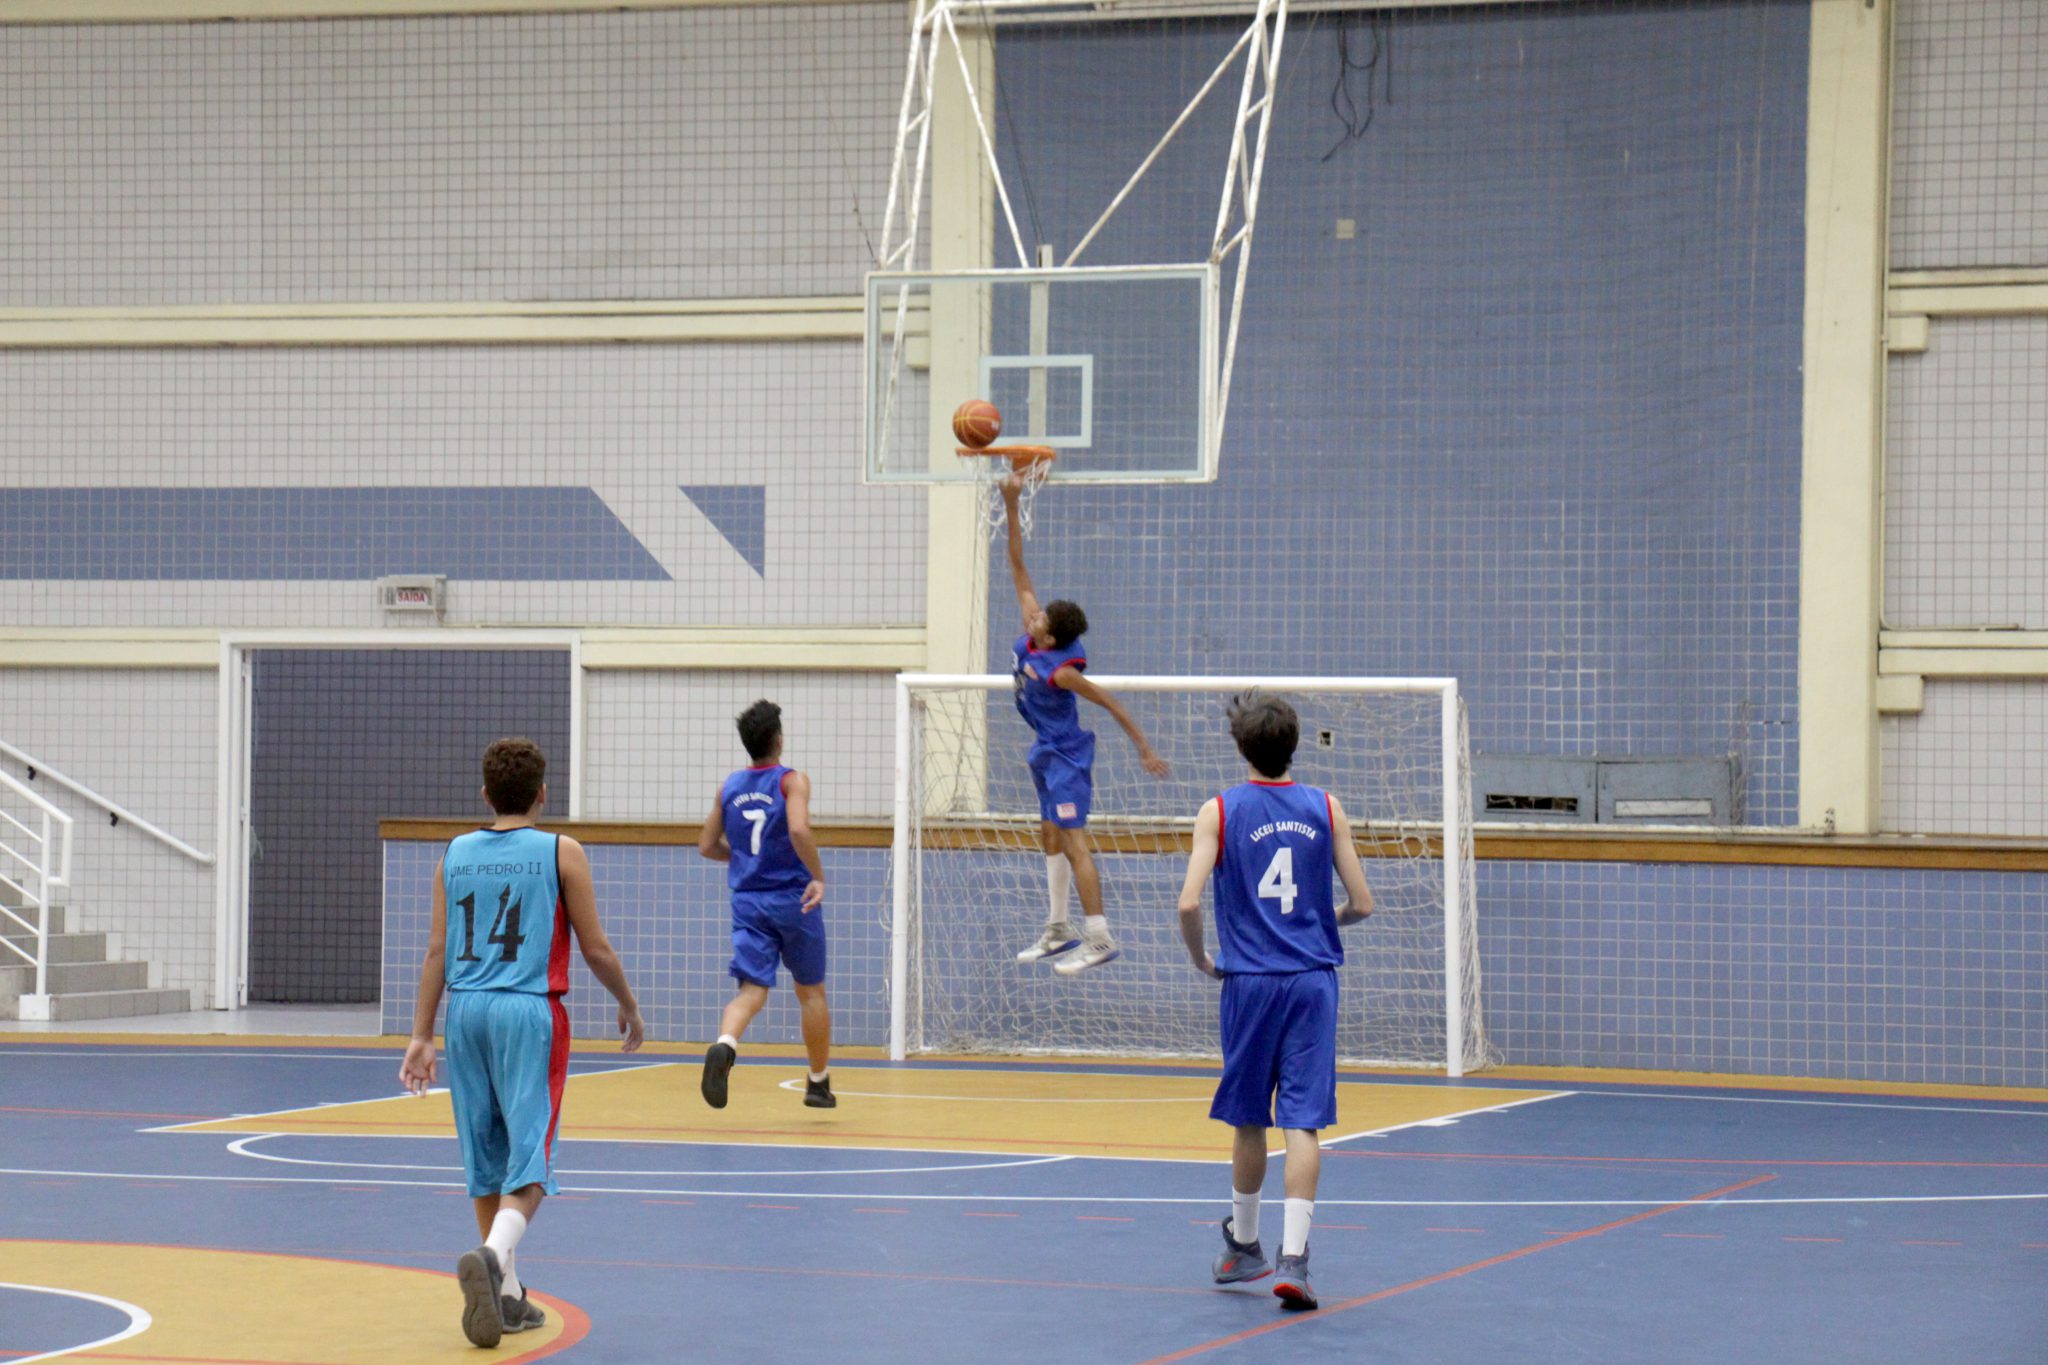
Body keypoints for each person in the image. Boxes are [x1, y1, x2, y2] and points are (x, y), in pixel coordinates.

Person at [400, 736, 645, 1348]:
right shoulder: (561, 851)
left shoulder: (454, 853)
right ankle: (492, 1258)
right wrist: (628, 1003)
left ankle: (507, 1296)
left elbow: (435, 951)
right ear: (542, 794)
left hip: (464, 1011)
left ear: (486, 794)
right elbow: (595, 948)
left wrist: (421, 1034)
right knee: (529, 1157)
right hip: (527, 1010)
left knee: (486, 1154)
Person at [1173, 695, 1374, 1312]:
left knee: (1249, 1117)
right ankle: (1295, 1260)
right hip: (1311, 981)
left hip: (1250, 982)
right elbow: (1363, 903)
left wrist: (1202, 959)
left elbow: (1188, 902)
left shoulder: (1220, 810)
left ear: (1241, 747)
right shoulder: (1327, 807)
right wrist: (1320, 922)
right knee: (1302, 1121)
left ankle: (1244, 1246)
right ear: (1295, 745)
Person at [1001, 474, 1170, 974]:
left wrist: (1144, 748)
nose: (1032, 617)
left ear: (1052, 640)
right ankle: (1058, 928)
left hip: (1067, 754)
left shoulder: (1064, 673)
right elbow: (1018, 567)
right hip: (1044, 749)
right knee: (1048, 833)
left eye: (1040, 621)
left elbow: (1112, 704)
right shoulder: (1037, 629)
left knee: (1075, 841)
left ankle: (1099, 937)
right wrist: (1011, 503)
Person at [696, 699, 834, 1110]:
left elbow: (706, 845)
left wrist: (741, 858)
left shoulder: (729, 787)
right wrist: (818, 876)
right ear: (779, 740)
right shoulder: (791, 781)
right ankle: (818, 1083)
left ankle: (725, 1044)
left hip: (749, 902)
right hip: (794, 899)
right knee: (810, 992)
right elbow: (799, 829)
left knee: (751, 990)